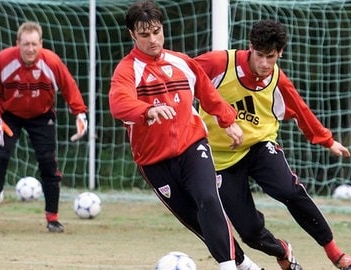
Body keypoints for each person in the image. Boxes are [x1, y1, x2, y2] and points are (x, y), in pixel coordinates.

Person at [108, 1, 275, 269]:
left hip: (192, 146)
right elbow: (118, 103)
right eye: (145, 34)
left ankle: (228, 266)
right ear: (132, 35)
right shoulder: (127, 71)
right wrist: (147, 111)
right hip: (153, 162)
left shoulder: (182, 63)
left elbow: (208, 93)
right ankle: (244, 265)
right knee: (197, 220)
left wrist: (228, 120)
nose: (153, 40)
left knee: (209, 199)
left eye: (157, 31)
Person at [195, 20, 351, 270]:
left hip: (260, 147)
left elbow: (301, 110)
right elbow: (182, 74)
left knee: (290, 191)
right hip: (221, 159)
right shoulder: (219, 64)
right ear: (250, 47)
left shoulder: (277, 80)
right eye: (260, 55)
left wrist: (327, 140)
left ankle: (336, 254)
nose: (264, 64)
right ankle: (282, 251)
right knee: (250, 232)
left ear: (280, 53)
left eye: (271, 57)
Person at [0, 21, 88, 233]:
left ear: (41, 44)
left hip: (42, 115)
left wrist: (80, 113)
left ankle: (53, 218)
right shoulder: (4, 59)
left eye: (34, 44)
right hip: (9, 116)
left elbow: (69, 86)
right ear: (17, 43)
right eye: (26, 44)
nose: (30, 49)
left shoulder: (52, 62)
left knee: (48, 163)